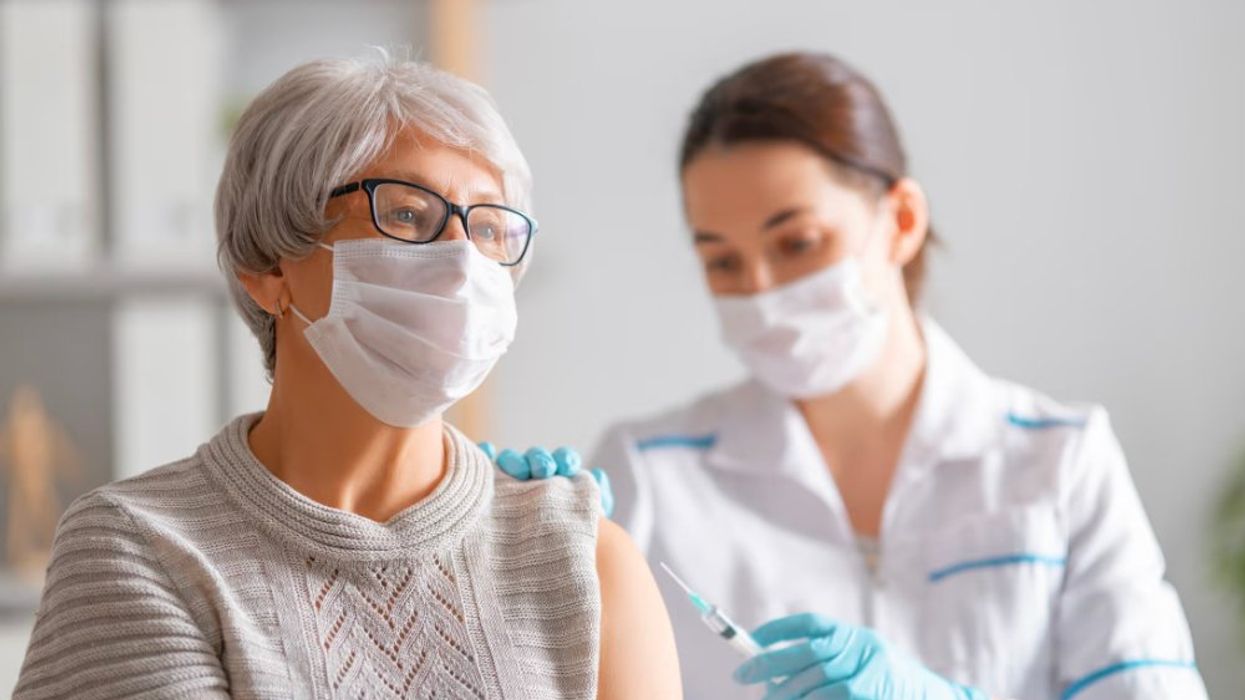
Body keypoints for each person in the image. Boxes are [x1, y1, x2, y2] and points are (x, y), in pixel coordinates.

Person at [494, 52, 1206, 700]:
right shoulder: (649, 476)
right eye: (722, 261)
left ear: (900, 220)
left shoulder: (1059, 461)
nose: (761, 290)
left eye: (797, 243)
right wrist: (501, 555)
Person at [15, 54, 681, 700]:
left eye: (488, 227)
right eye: (407, 215)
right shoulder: (143, 549)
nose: (460, 262)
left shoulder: (580, 558)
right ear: (268, 266)